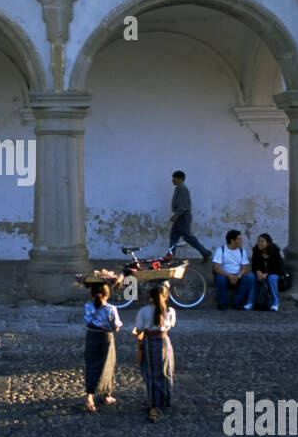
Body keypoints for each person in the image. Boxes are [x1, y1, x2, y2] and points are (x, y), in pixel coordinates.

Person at [132, 281, 176, 421]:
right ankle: (165, 400)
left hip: (149, 342)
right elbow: (171, 325)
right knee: (166, 371)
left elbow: (138, 329)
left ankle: (154, 404)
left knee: (151, 373)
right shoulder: (170, 311)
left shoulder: (144, 311)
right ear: (166, 295)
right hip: (164, 342)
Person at [83, 280, 122, 412]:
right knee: (107, 366)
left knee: (91, 365)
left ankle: (89, 397)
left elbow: (88, 321)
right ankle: (107, 395)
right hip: (106, 338)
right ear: (107, 294)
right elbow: (116, 327)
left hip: (91, 336)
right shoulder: (111, 309)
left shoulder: (88, 306)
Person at [168, 171, 211, 262]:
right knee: (173, 238)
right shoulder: (179, 188)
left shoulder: (182, 189)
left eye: (174, 178)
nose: (172, 180)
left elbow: (183, 205)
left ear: (180, 178)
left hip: (183, 217)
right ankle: (169, 256)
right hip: (180, 217)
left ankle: (205, 252)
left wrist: (176, 215)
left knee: (188, 237)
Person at [212, 229, 256, 310]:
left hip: (237, 275)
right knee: (220, 279)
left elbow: (244, 268)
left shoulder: (242, 251)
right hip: (225, 275)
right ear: (232, 240)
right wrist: (230, 276)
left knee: (248, 279)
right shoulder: (221, 250)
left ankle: (237, 301)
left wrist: (238, 276)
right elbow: (216, 268)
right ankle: (223, 303)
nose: (242, 241)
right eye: (239, 239)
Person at [251, 232, 284, 312]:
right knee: (250, 277)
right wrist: (258, 271)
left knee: (271, 278)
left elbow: (278, 268)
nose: (259, 243)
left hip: (273, 274)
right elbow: (254, 266)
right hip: (260, 274)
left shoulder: (275, 252)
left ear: (268, 243)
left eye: (262, 241)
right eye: (258, 241)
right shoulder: (256, 251)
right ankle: (250, 302)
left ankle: (275, 303)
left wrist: (267, 273)